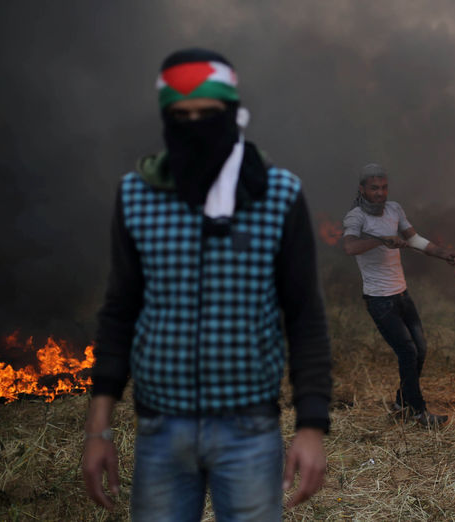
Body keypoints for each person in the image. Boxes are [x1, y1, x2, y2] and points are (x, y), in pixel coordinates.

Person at [81, 48, 332, 521]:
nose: (194, 125)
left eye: (207, 114)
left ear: (233, 114)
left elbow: (304, 317)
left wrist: (311, 425)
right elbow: (120, 311)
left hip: (250, 430)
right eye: (181, 116)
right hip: (160, 431)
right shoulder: (137, 196)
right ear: (165, 119)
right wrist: (99, 428)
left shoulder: (277, 195)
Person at [342, 163, 455, 427]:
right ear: (362, 189)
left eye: (383, 187)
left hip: (401, 296)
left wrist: (445, 254)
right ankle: (419, 413)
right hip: (379, 301)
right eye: (374, 188)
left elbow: (416, 240)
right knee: (407, 351)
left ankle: (400, 404)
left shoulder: (394, 209)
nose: (380, 193)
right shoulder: (356, 217)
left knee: (420, 350)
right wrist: (381, 240)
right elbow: (350, 247)